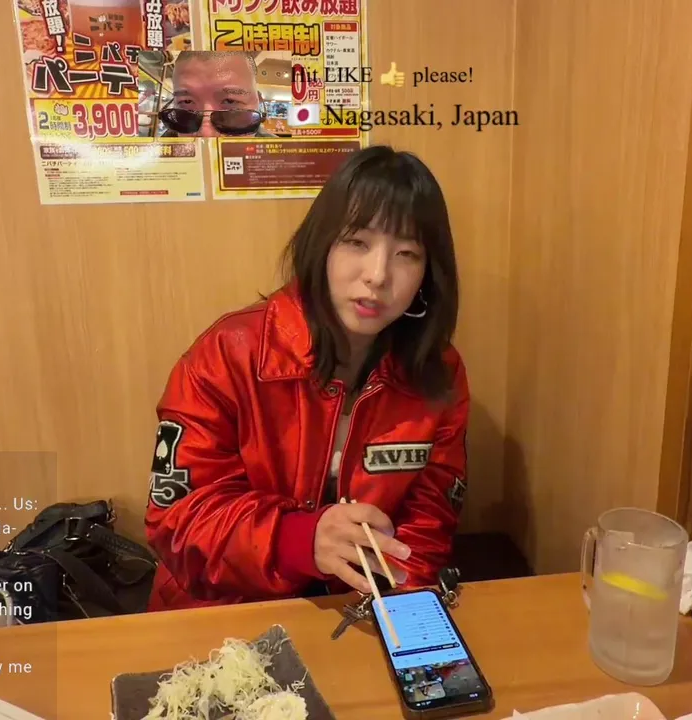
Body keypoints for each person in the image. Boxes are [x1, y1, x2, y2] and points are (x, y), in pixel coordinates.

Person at [144, 145, 468, 611]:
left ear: (427, 274)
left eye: (406, 253)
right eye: (357, 242)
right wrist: (299, 539)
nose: (378, 275)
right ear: (322, 245)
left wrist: (398, 611)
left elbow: (428, 518)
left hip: (359, 611)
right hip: (223, 615)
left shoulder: (439, 372)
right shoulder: (226, 355)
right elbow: (178, 521)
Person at [157, 51, 279, 137]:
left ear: (259, 103)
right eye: (187, 102)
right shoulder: (158, 157)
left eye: (230, 101)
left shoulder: (283, 159)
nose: (206, 134)